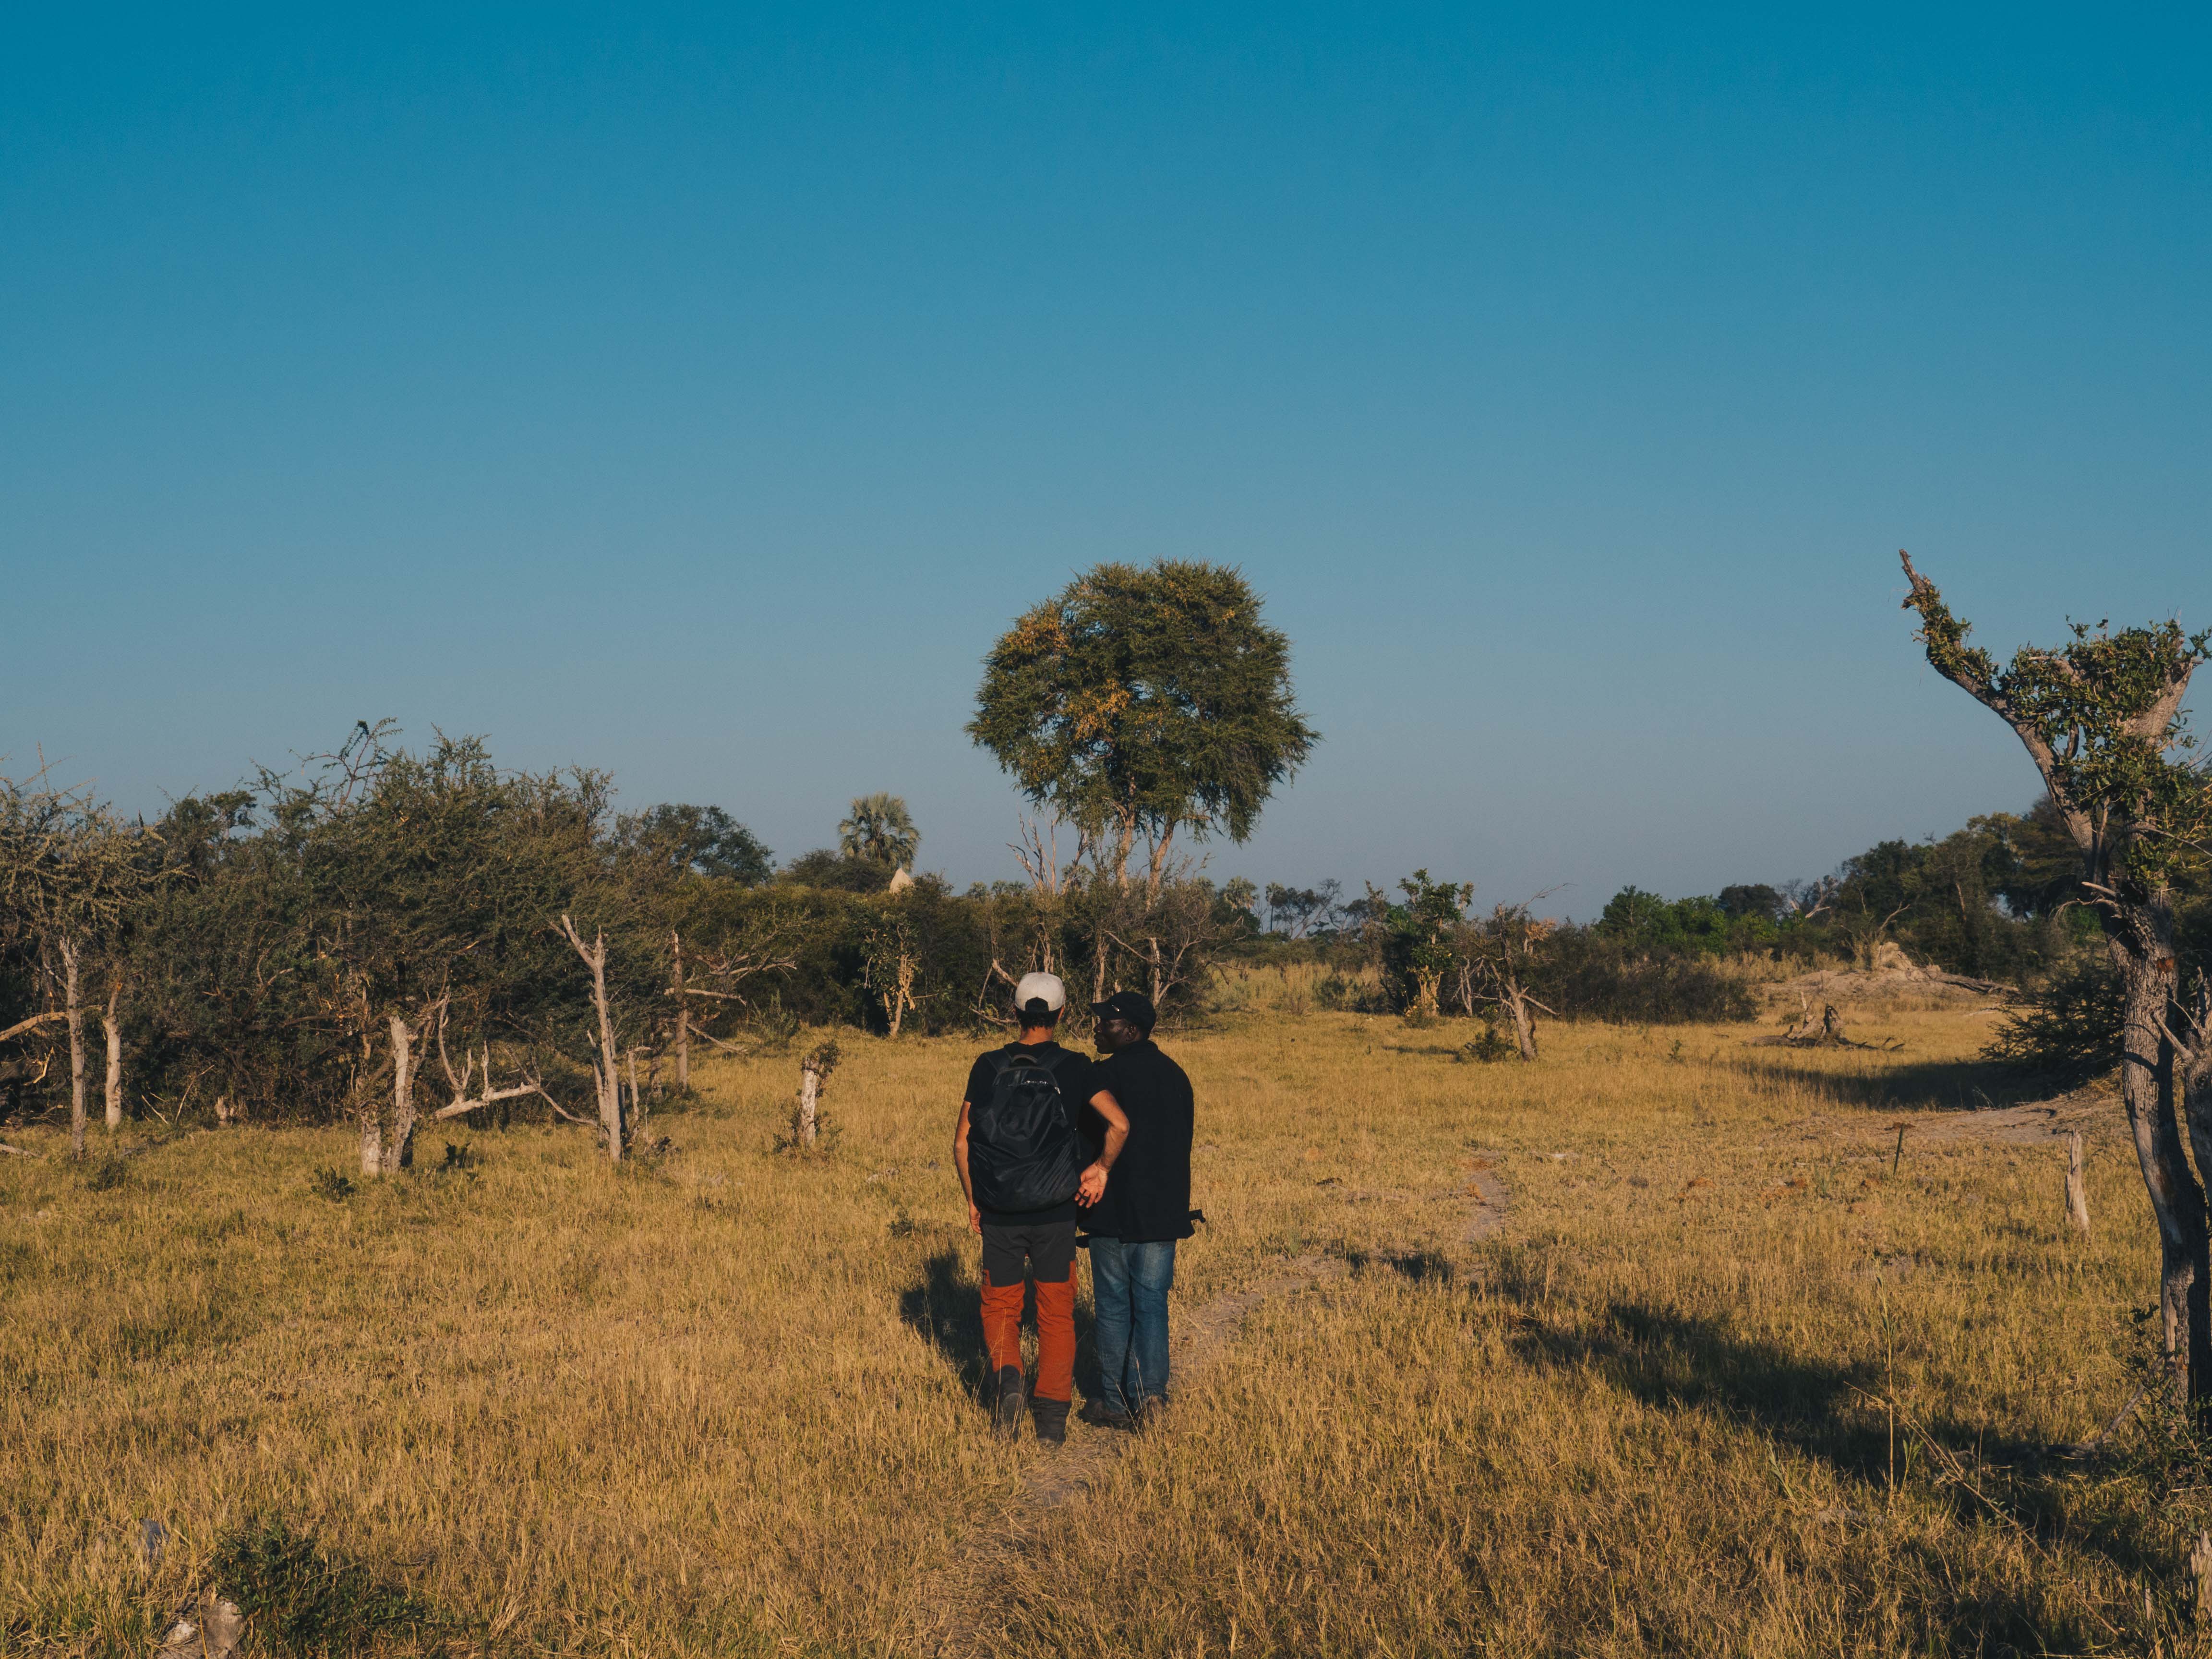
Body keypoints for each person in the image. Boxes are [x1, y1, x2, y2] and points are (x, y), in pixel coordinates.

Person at [953, 971, 1128, 1444]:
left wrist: (973, 1199)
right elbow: (1119, 1124)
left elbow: (962, 1143)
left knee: (1000, 1306)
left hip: (1000, 1211)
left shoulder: (987, 1066)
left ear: (1015, 1013)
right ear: (1061, 1014)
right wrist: (1100, 1170)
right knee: (1055, 1312)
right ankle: (1051, 1420)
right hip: (1055, 1211)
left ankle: (1009, 1380)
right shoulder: (1076, 1066)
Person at [1078, 990, 1194, 1430]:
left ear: (1131, 1031)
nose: (1097, 1028)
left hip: (1110, 1210)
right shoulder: (1176, 1074)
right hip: (1162, 1212)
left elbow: (1086, 1140)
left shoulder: (1102, 1077)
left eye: (1106, 1023)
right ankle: (1151, 1398)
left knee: (1112, 1306)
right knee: (1151, 1305)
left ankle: (1114, 1401)